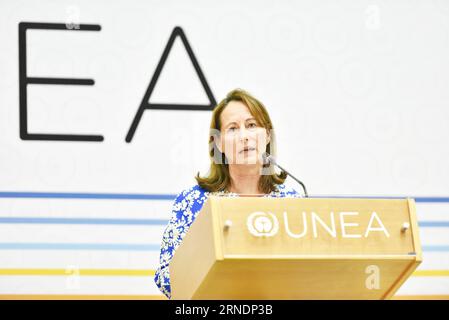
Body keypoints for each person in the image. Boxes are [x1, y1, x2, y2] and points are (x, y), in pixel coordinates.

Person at [154, 88, 302, 298]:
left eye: (251, 125)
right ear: (219, 143)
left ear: (267, 134)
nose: (244, 136)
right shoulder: (194, 202)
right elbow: (166, 276)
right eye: (233, 129)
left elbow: (305, 271)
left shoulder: (292, 201)